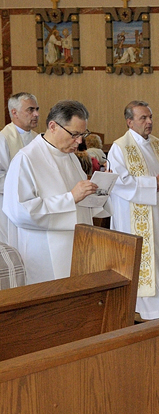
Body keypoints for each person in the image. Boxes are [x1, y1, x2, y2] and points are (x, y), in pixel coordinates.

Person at [3, 100, 104, 284]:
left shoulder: (71, 158)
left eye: (83, 134)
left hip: (78, 245)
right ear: (53, 126)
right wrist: (70, 198)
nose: (80, 141)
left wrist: (99, 193)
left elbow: (81, 201)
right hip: (44, 253)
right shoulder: (26, 158)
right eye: (74, 134)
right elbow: (19, 211)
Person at [107, 101, 159, 320]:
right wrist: (154, 183)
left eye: (150, 117)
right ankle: (145, 311)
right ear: (129, 121)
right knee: (143, 262)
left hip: (158, 214)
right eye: (143, 118)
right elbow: (120, 182)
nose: (149, 122)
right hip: (133, 218)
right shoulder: (119, 147)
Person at [0, 92, 40, 245]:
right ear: (14, 113)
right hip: (8, 204)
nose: (36, 114)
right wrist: (23, 186)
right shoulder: (3, 139)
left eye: (37, 109)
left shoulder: (38, 139)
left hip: (34, 202)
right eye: (30, 110)